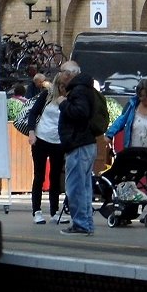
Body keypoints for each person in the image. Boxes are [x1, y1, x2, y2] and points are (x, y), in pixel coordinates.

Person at [105, 77, 147, 220]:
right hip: (133, 154)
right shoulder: (132, 106)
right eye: (141, 97)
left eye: (146, 98)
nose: (144, 101)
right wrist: (109, 134)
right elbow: (121, 120)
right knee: (130, 185)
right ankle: (127, 213)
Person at [56, 60, 98, 236]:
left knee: (75, 187)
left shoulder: (78, 90)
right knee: (85, 187)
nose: (61, 77)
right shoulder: (86, 88)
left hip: (78, 143)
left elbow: (80, 113)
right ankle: (86, 222)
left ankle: (81, 224)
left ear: (69, 74)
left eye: (62, 72)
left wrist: (63, 103)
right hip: (86, 142)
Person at [25, 74, 63, 224]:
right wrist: (31, 132)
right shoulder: (47, 95)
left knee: (55, 176)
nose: (62, 89)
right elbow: (33, 112)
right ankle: (37, 211)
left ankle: (54, 211)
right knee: (39, 175)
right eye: (60, 86)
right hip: (41, 138)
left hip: (58, 141)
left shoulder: (69, 99)